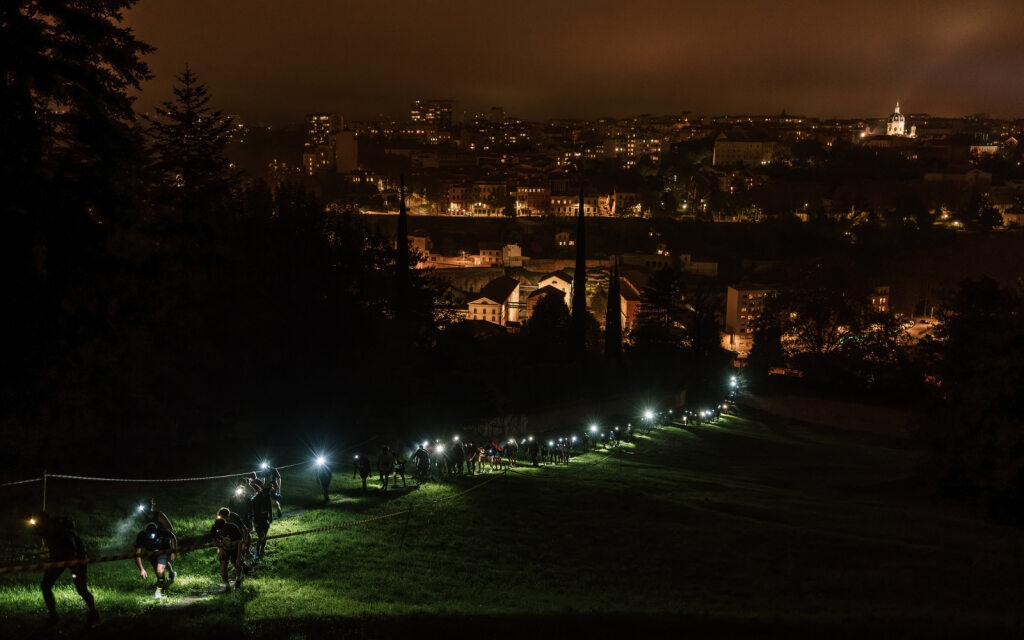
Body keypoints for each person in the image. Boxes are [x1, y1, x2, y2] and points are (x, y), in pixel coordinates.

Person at [30, 512, 99, 627]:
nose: (40, 528)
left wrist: (76, 569)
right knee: (45, 585)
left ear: (46, 522)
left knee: (81, 588)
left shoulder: (64, 531)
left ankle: (94, 614)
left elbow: (73, 549)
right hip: (59, 559)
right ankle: (53, 616)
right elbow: (44, 535)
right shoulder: (47, 530)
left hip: (76, 559)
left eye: (40, 524)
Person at [134, 521, 177, 598]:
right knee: (157, 567)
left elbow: (173, 536)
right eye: (149, 535)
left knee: (160, 569)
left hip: (164, 549)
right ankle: (166, 578)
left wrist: (173, 551)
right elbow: (137, 554)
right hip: (151, 552)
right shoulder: (141, 536)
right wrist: (141, 569)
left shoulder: (163, 532)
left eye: (153, 535)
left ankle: (160, 590)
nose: (152, 537)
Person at [210, 509, 245, 592]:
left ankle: (238, 579)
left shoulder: (233, 528)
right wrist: (220, 548)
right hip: (224, 549)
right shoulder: (214, 528)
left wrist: (238, 557)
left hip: (235, 548)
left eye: (221, 530)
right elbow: (214, 539)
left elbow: (240, 542)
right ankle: (227, 586)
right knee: (223, 565)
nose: (220, 531)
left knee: (237, 564)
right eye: (219, 530)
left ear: (225, 525)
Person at [249, 482, 279, 559]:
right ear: (266, 489)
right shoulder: (257, 497)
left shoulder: (268, 496)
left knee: (264, 535)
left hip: (264, 519)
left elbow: (269, 507)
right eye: (269, 489)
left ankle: (261, 550)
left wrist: (271, 516)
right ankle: (257, 550)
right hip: (257, 519)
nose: (269, 490)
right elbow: (252, 507)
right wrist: (258, 513)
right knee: (261, 536)